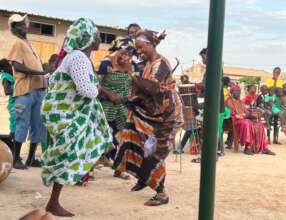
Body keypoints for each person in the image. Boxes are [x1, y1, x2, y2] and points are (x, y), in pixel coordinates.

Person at [41, 18, 113, 217]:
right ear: (90, 38)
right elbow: (85, 89)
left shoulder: (76, 57)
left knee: (69, 151)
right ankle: (53, 203)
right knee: (68, 153)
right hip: (63, 113)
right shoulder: (79, 58)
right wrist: (99, 89)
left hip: (62, 111)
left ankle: (55, 200)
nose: (100, 38)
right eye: (98, 34)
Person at [113, 31, 183, 206]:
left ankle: (162, 193)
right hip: (153, 114)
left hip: (168, 116)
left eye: (141, 47)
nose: (139, 51)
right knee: (136, 138)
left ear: (151, 44)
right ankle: (144, 177)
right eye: (137, 48)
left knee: (155, 152)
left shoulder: (162, 64)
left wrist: (130, 72)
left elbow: (152, 88)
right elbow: (141, 89)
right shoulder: (147, 65)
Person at [7, 14, 47, 169]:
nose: (23, 27)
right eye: (19, 25)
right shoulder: (17, 43)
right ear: (14, 28)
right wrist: (40, 73)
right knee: (22, 124)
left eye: (24, 24)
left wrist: (42, 73)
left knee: (38, 125)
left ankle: (30, 159)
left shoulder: (28, 43)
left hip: (37, 89)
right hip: (24, 89)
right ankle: (16, 159)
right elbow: (17, 66)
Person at [97, 37, 135, 179]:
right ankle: (89, 170)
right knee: (101, 136)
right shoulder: (106, 63)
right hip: (107, 107)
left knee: (124, 138)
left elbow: (134, 84)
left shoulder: (132, 67)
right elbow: (96, 84)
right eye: (123, 53)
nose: (126, 57)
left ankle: (119, 169)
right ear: (117, 51)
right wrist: (108, 93)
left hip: (123, 108)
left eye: (129, 54)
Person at [226, 84, 275, 155]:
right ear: (232, 92)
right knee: (247, 123)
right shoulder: (229, 100)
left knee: (259, 124)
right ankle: (247, 147)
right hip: (235, 120)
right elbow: (233, 114)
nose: (238, 93)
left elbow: (246, 111)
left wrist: (251, 115)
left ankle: (264, 147)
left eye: (239, 91)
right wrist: (246, 116)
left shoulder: (240, 101)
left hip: (244, 118)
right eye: (236, 91)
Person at [0, 59, 15, 137]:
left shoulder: (11, 73)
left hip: (17, 102)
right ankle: (11, 143)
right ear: (3, 69)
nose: (10, 67)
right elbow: (7, 91)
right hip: (14, 104)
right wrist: (20, 89)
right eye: (8, 66)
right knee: (14, 127)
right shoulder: (6, 76)